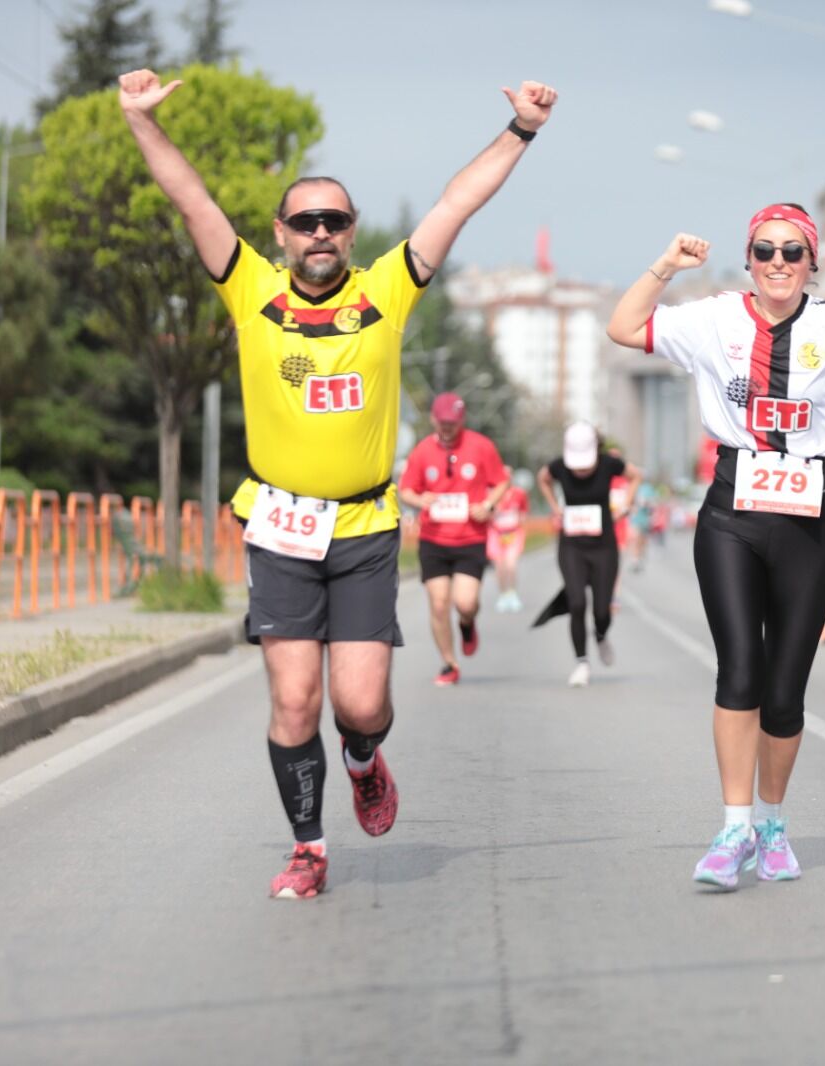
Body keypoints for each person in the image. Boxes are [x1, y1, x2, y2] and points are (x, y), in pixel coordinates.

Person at [119, 68, 558, 899]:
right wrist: (140, 119)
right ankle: (309, 849)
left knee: (358, 705)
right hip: (280, 525)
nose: (320, 232)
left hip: (362, 531)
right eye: (305, 222)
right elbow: (192, 200)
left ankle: (362, 758)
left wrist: (522, 130)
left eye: (336, 221)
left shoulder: (384, 292)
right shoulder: (250, 290)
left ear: (352, 234)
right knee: (294, 701)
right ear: (280, 234)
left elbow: (456, 204)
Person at [606, 203, 825, 890]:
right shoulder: (713, 319)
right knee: (740, 672)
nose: (778, 263)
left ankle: (772, 825)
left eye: (792, 252)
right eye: (765, 250)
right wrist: (666, 266)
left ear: (812, 262)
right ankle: (733, 829)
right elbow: (624, 327)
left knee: (785, 691)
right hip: (733, 512)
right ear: (749, 259)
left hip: (808, 517)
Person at [398, 392, 510, 686]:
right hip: (434, 539)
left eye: (452, 423)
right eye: (442, 422)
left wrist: (487, 505)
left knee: (465, 602)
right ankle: (449, 663)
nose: (447, 427)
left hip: (470, 538)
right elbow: (405, 489)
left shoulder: (481, 446)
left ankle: (467, 623)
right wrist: (420, 500)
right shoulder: (422, 450)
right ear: (433, 419)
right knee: (438, 604)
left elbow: (501, 481)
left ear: (462, 420)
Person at [535, 423, 642, 687]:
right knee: (577, 603)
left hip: (603, 546)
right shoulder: (559, 466)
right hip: (571, 545)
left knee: (602, 610)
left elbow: (635, 476)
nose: (581, 470)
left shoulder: (609, 464)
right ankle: (581, 662)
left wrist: (625, 505)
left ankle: (601, 635)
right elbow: (542, 478)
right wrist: (555, 507)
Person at [487, 473, 531, 613]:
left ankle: (512, 594)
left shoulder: (519, 493)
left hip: (513, 533)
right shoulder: (490, 494)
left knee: (511, 565)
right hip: (495, 534)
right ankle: (503, 595)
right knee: (499, 567)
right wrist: (494, 511)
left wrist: (520, 520)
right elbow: (484, 514)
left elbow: (523, 512)